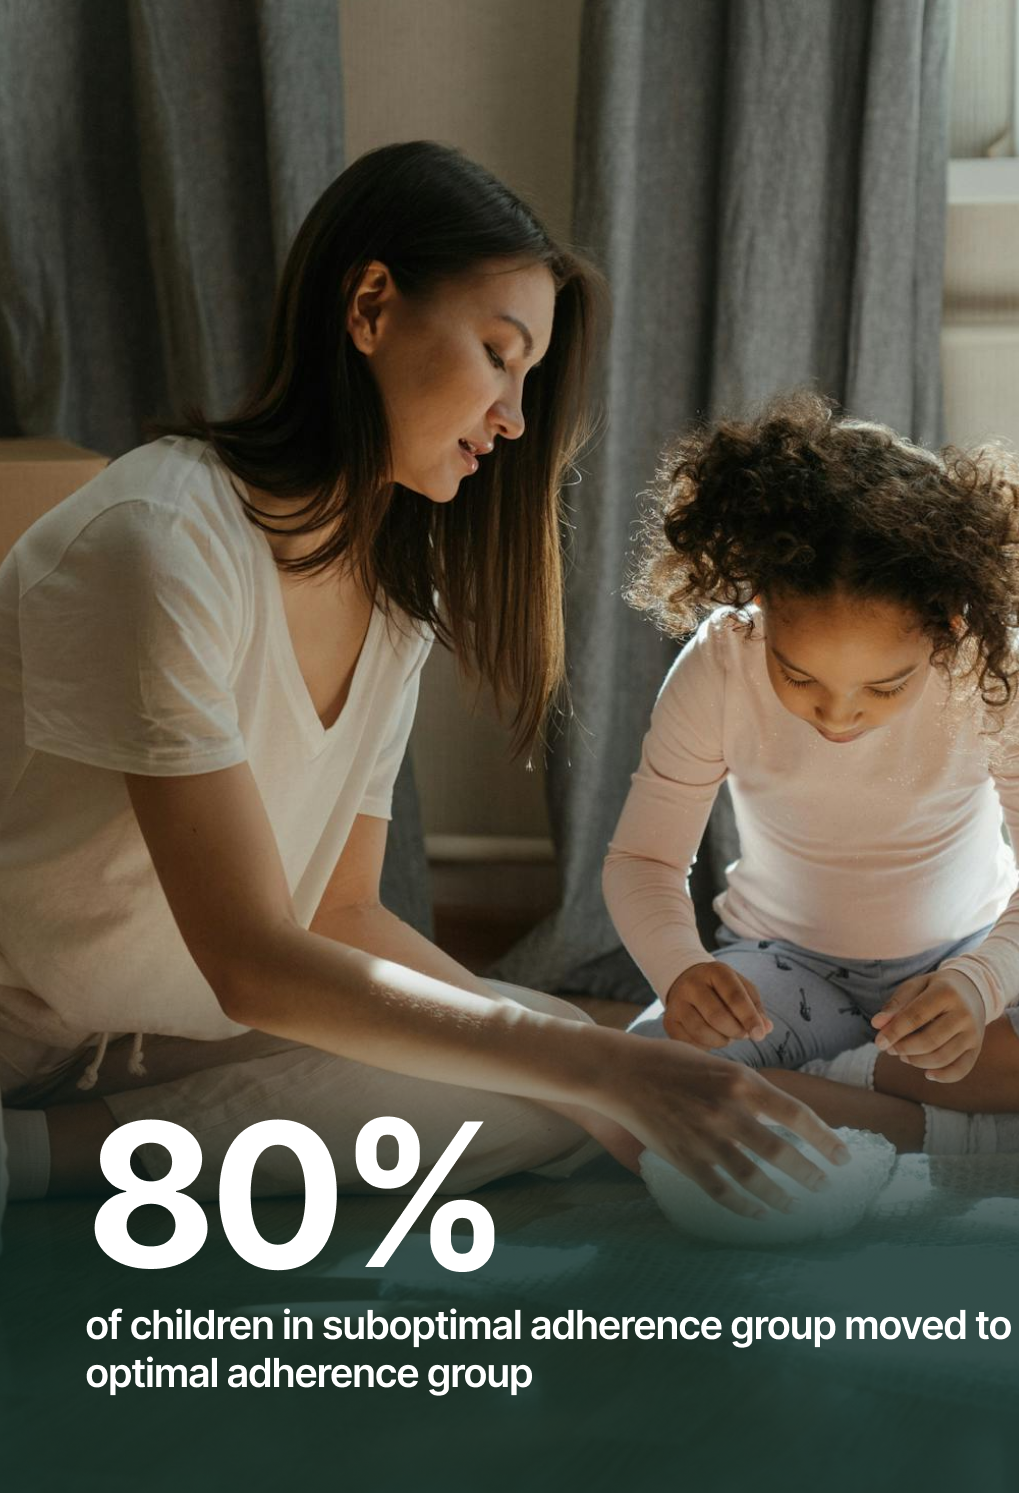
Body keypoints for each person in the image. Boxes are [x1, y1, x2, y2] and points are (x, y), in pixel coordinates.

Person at [0, 143, 847, 1233]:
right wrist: (600, 1073)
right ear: (370, 307)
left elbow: (343, 912)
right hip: (34, 1029)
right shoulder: (159, 542)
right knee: (569, 1063)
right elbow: (254, 961)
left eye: (527, 379)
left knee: (553, 1060)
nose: (514, 418)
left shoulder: (390, 589)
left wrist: (593, 1072)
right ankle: (43, 1154)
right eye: (499, 355)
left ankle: (50, 1148)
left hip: (159, 1033)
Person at [606, 390, 1019, 1157]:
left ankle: (844, 1096)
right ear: (762, 602)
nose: (837, 715)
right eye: (798, 676)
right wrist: (681, 969)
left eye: (885, 686)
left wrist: (982, 981)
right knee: (636, 1086)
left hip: (973, 960)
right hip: (787, 974)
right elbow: (644, 859)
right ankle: (935, 1124)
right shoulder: (722, 661)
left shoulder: (996, 667)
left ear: (948, 623)